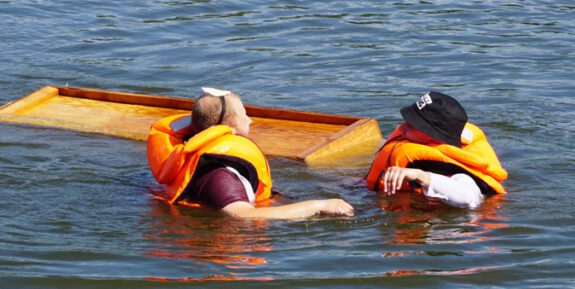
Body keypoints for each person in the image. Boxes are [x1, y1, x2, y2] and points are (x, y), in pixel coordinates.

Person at [147, 88, 354, 220]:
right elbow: (244, 216)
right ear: (229, 127)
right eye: (244, 116)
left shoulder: (198, 157)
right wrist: (319, 205)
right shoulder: (218, 174)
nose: (250, 121)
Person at [365, 92, 507, 208]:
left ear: (434, 137)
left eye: (413, 123)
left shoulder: (451, 169)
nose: (404, 125)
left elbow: (469, 198)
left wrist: (420, 176)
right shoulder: (415, 144)